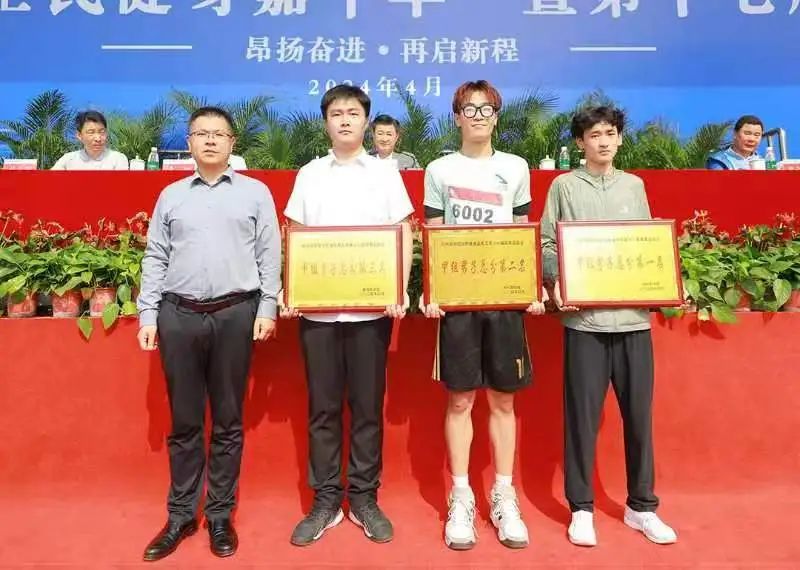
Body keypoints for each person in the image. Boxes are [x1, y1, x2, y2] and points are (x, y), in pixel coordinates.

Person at [137, 106, 281, 561]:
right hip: (178, 315)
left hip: (235, 314)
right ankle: (181, 515)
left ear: (233, 142)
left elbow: (270, 253)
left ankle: (220, 514)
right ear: (190, 142)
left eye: (220, 134)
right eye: (202, 134)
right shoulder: (171, 196)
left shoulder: (256, 193)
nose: (211, 141)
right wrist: (148, 314)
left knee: (228, 420)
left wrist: (268, 306)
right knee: (184, 421)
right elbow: (155, 256)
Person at [540, 106, 678, 547]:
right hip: (585, 322)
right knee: (581, 420)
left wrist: (660, 280)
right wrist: (557, 277)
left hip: (633, 321)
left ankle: (642, 507)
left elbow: (646, 243)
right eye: (594, 134)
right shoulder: (564, 186)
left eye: (610, 133)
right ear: (580, 142)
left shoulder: (634, 186)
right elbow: (546, 243)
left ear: (619, 139)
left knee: (639, 418)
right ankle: (581, 508)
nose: (603, 141)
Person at [282, 85, 413, 547]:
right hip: (318, 313)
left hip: (371, 312)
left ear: (366, 121)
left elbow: (402, 231)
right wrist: (292, 288)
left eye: (352, 113)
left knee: (367, 408)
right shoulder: (310, 174)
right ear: (326, 122)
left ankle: (363, 498)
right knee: (323, 409)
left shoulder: (385, 173)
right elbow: (295, 232)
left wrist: (398, 287)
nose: (344, 120)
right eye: (336, 113)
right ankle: (325, 501)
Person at [420, 80, 547, 551]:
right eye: (469, 109)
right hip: (458, 301)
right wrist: (433, 290)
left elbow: (522, 233)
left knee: (503, 401)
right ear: (456, 117)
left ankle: (504, 494)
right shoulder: (439, 169)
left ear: (496, 116)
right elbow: (433, 234)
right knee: (459, 401)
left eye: (486, 108)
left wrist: (530, 287)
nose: (478, 116)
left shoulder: (515, 168)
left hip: (503, 299)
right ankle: (460, 496)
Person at [51, 110, 129, 170]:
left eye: (102, 132)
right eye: (91, 132)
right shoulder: (68, 159)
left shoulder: (118, 158)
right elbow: (50, 181)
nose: (98, 138)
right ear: (79, 135)